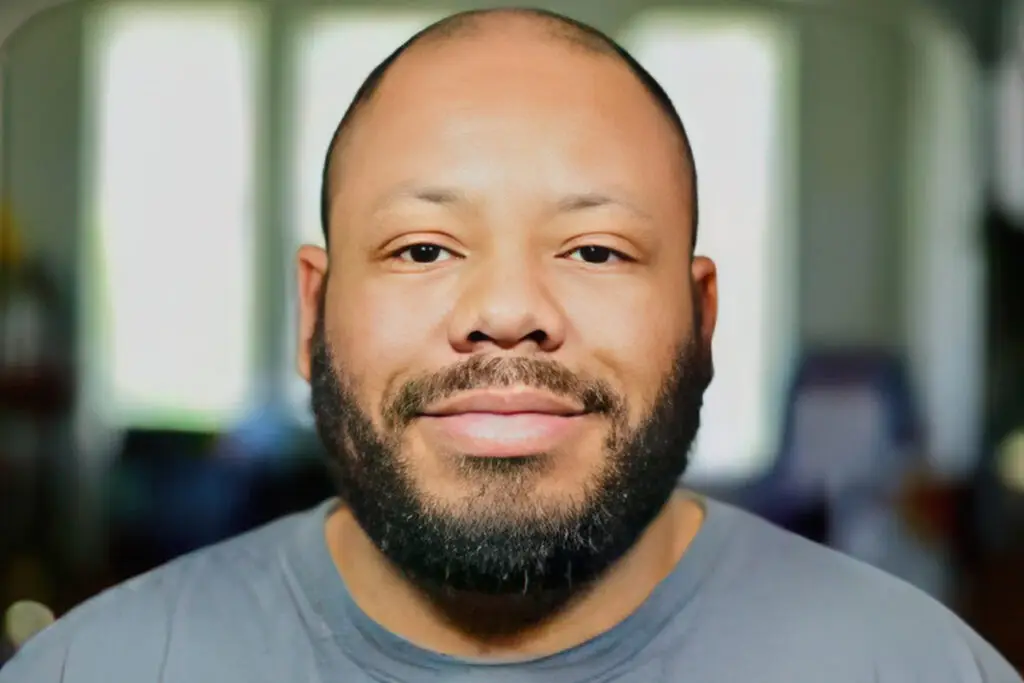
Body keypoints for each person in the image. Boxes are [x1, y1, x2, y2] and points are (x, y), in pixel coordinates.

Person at [3, 7, 1019, 682]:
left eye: (594, 248)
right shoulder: (95, 669)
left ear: (702, 319)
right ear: (313, 313)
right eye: (423, 247)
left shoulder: (917, 667)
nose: (505, 308)